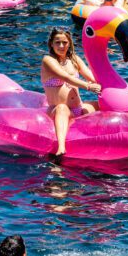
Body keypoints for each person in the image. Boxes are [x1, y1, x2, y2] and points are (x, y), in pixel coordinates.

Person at [41, 27, 102, 159]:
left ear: (69, 43)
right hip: (58, 111)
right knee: (62, 108)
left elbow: (90, 76)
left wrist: (102, 84)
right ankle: (61, 147)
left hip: (78, 108)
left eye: (65, 42)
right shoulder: (48, 60)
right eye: (57, 42)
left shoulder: (74, 59)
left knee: (102, 104)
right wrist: (88, 86)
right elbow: (66, 78)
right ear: (51, 43)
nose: (61, 46)